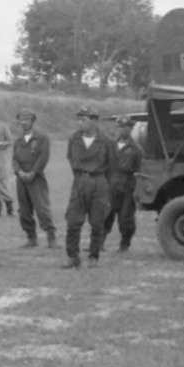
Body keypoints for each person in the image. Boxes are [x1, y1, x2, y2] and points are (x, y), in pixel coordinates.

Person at [62, 106, 116, 268]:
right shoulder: (74, 139)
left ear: (94, 121)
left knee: (97, 222)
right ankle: (73, 256)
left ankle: (94, 256)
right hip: (80, 181)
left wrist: (102, 182)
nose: (80, 123)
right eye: (79, 119)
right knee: (73, 220)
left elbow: (112, 165)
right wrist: (81, 175)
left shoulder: (106, 141)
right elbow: (71, 158)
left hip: (98, 181)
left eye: (84, 119)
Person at [11, 109, 57, 248]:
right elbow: (14, 159)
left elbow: (43, 157)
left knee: (41, 208)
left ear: (33, 121)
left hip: (36, 178)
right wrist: (19, 172)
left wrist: (33, 172)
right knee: (24, 210)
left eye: (26, 120)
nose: (23, 122)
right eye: (21, 120)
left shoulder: (41, 138)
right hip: (21, 179)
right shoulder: (18, 139)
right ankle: (31, 238)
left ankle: (51, 237)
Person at [101, 115, 143, 252]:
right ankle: (99, 243)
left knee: (126, 217)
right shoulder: (110, 146)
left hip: (128, 187)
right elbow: (103, 164)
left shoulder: (136, 149)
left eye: (124, 127)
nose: (121, 129)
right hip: (110, 185)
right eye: (119, 126)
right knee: (105, 215)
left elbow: (139, 171)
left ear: (130, 129)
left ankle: (124, 245)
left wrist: (137, 190)